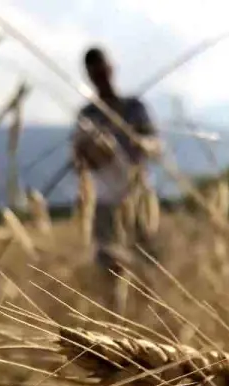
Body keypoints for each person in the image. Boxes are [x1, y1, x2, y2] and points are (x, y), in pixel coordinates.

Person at [71, 47, 161, 281]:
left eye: (102, 71)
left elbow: (156, 145)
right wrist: (89, 150)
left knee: (145, 266)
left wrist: (140, 142)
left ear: (111, 69)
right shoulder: (87, 115)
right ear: (89, 77)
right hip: (104, 201)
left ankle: (148, 313)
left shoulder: (133, 107)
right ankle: (116, 315)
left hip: (138, 196)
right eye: (94, 74)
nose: (100, 78)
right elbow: (79, 162)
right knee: (110, 268)